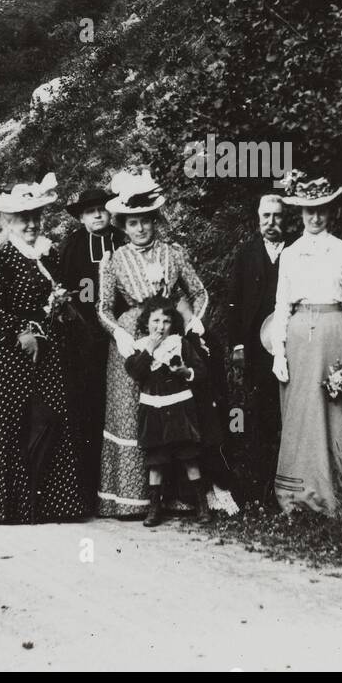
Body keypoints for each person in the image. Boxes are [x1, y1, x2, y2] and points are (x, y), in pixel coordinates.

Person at [0, 175, 85, 524]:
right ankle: (8, 506)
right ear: (8, 222)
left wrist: (61, 304)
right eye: (23, 217)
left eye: (35, 216)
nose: (31, 223)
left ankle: (52, 505)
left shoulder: (48, 252)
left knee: (50, 418)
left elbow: (58, 291)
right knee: (11, 423)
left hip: (47, 349)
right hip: (9, 351)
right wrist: (21, 331)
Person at [96, 170, 212, 517]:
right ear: (123, 225)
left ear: (154, 221)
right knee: (134, 412)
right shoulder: (114, 260)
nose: (140, 229)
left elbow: (199, 291)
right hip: (133, 339)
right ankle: (135, 499)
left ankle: (179, 495)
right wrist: (120, 334)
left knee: (172, 409)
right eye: (132, 223)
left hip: (170, 334)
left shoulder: (172, 253)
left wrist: (192, 322)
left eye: (145, 222)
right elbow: (102, 307)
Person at [269, 170, 342, 515]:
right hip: (299, 334)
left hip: (334, 332)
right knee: (302, 412)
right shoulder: (291, 254)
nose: (315, 217)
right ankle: (299, 495)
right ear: (300, 214)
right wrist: (278, 351)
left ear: (331, 212)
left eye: (322, 209)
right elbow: (282, 304)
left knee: (338, 406)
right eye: (309, 211)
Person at [56, 186, 125, 512]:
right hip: (82, 342)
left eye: (102, 209)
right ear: (81, 217)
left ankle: (119, 487)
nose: (97, 215)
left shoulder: (123, 242)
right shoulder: (72, 246)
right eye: (90, 211)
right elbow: (64, 293)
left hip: (120, 337)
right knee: (87, 410)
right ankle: (85, 490)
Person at [124, 297, 213, 527]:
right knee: (156, 460)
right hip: (152, 409)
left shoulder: (180, 343)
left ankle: (202, 505)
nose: (160, 326)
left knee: (189, 457)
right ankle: (154, 508)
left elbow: (201, 371)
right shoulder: (140, 347)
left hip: (180, 407)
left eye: (165, 321)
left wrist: (185, 371)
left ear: (172, 323)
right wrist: (150, 349)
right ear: (146, 323)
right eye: (155, 321)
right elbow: (135, 372)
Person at [226, 192, 286, 502]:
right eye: (266, 217)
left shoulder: (296, 251)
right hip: (255, 346)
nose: (271, 223)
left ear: (285, 218)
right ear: (257, 219)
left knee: (289, 411)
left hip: (290, 344)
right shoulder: (246, 254)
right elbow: (233, 303)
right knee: (260, 413)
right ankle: (261, 484)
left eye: (277, 216)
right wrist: (237, 346)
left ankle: (289, 479)